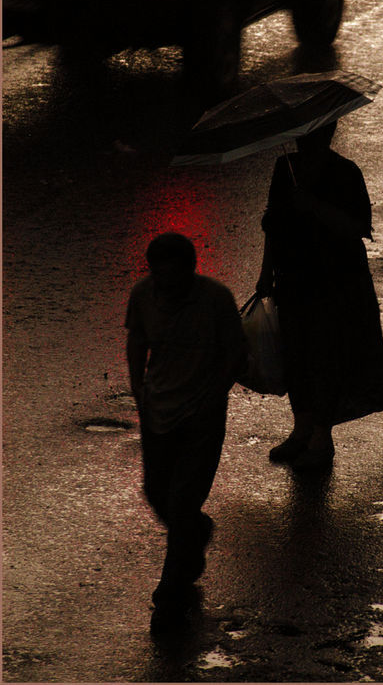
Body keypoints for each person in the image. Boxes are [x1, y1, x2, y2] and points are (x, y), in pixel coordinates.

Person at [125, 232, 247, 635]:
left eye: (172, 274)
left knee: (181, 500)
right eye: (158, 274)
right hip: (158, 410)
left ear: (190, 271)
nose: (164, 283)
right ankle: (195, 532)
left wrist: (215, 393)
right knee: (157, 492)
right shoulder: (143, 295)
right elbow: (136, 340)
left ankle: (170, 594)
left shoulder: (215, 299)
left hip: (201, 416)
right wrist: (138, 389)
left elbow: (234, 351)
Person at [256, 122, 383, 470]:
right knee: (296, 353)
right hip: (293, 278)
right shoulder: (285, 168)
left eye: (313, 133)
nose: (304, 139)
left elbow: (359, 227)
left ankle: (321, 435)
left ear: (327, 134)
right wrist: (265, 273)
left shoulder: (345, 172)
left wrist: (313, 206)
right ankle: (301, 429)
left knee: (328, 356)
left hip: (336, 280)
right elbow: (272, 223)